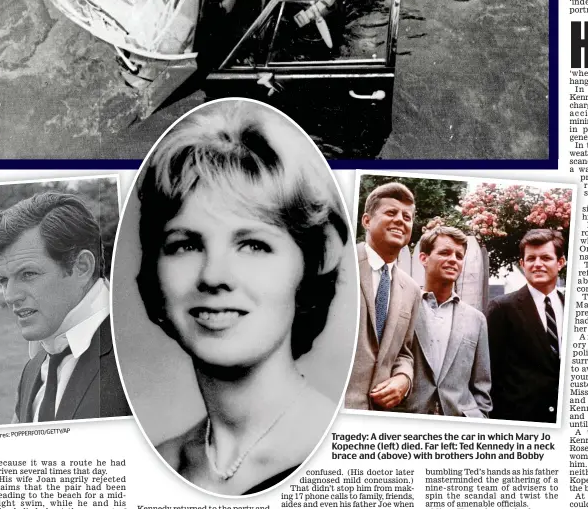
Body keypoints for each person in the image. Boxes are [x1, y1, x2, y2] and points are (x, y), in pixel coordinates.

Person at [134, 100, 352, 495]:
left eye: (253, 245)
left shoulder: (353, 459)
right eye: (185, 245)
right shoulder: (156, 463)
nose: (213, 276)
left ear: (309, 264)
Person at [0, 192, 130, 423]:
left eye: (28, 274)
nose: (10, 296)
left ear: (82, 267)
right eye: (4, 280)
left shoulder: (139, 355)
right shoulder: (33, 368)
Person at [398, 223, 491, 417]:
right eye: (445, 253)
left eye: (459, 256)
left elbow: (482, 385)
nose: (453, 260)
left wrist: (480, 418)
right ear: (424, 258)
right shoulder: (403, 307)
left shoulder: (476, 320)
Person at [345, 182, 421, 411]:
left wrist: (404, 380)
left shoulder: (412, 290)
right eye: (391, 212)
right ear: (366, 221)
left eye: (407, 217)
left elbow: (404, 354)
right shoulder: (338, 263)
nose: (400, 220)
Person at [486, 229, 566, 423]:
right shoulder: (502, 308)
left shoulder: (570, 305)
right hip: (520, 422)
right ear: (523, 264)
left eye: (546, 258)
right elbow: (489, 371)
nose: (537, 264)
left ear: (560, 263)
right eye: (531, 259)